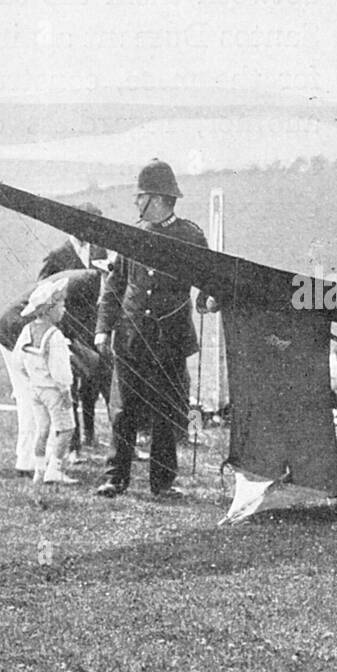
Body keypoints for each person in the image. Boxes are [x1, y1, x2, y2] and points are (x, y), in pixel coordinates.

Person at [94, 159, 218, 498]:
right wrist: (103, 329)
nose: (135, 203)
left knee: (166, 412)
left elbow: (207, 280)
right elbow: (114, 286)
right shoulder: (131, 235)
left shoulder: (190, 236)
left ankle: (162, 484)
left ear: (157, 199)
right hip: (131, 337)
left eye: (140, 197)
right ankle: (114, 477)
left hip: (170, 340)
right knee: (123, 411)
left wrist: (207, 301)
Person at [0, 268, 103, 477]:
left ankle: (33, 461)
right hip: (19, 334)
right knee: (35, 398)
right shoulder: (87, 282)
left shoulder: (88, 282)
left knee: (34, 399)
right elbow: (60, 315)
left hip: (26, 333)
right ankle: (34, 462)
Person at [38, 203, 111, 457]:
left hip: (95, 327)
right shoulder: (57, 255)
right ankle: (73, 446)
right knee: (70, 385)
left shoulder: (101, 251)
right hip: (67, 328)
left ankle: (90, 436)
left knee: (93, 384)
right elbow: (43, 291)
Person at [15, 278, 78, 488]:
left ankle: (39, 470)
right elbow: (60, 372)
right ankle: (55, 469)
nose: (64, 309)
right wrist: (66, 393)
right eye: (60, 305)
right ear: (49, 309)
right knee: (66, 429)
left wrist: (31, 378)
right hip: (53, 391)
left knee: (42, 429)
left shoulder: (28, 330)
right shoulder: (55, 336)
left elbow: (19, 361)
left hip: (35, 389)